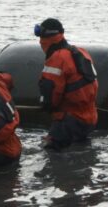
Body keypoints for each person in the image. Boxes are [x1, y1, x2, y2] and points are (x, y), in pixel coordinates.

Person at [35, 18, 98, 150]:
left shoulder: (57, 59)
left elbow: (50, 98)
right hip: (89, 119)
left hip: (68, 122)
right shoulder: (81, 52)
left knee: (50, 155)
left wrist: (45, 107)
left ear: (44, 39)